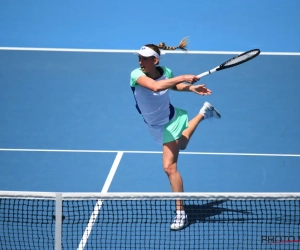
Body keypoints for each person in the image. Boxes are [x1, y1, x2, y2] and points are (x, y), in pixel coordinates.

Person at [130, 38, 221, 230]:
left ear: (155, 61)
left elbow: (172, 86)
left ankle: (181, 213)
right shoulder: (136, 75)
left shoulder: (167, 73)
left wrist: (191, 88)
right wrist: (182, 78)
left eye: (144, 59)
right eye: (139, 58)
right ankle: (204, 113)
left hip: (170, 121)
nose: (140, 62)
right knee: (183, 144)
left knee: (169, 168)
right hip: (154, 125)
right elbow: (156, 87)